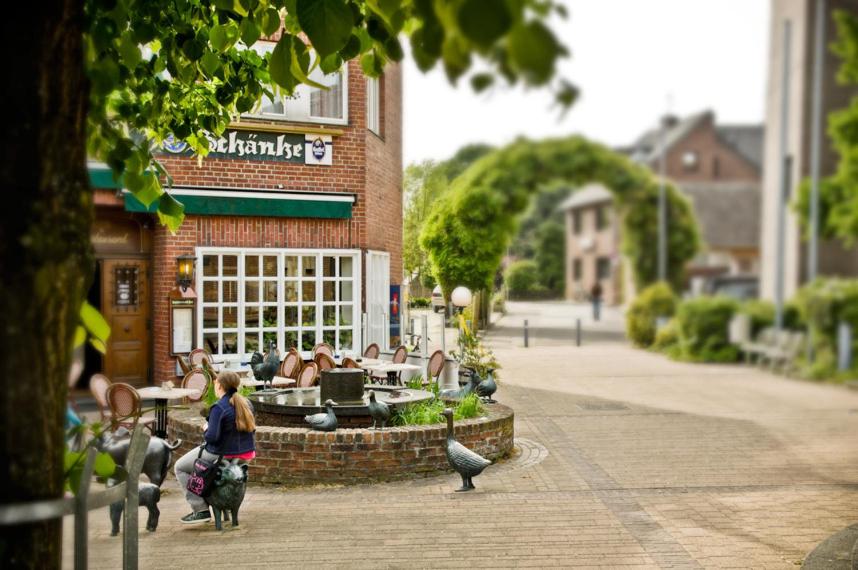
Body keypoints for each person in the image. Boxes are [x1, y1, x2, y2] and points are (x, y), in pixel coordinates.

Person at [174, 371, 256, 524]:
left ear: (219, 385)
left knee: (179, 467)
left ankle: (200, 509)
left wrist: (206, 427)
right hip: (246, 454)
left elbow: (212, 438)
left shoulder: (219, 407)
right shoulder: (247, 403)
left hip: (223, 455)